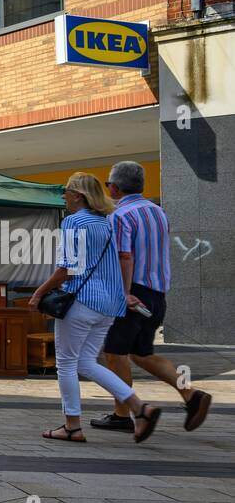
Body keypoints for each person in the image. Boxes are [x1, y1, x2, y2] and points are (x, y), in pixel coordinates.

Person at [29, 173, 161, 445]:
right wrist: (124, 294)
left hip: (81, 301)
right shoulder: (108, 223)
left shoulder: (74, 222)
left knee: (66, 363)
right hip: (109, 305)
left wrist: (39, 293)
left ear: (78, 195)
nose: (63, 196)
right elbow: (125, 258)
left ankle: (72, 426)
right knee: (87, 362)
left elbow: (68, 268)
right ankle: (139, 407)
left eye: (65, 191)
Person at [91, 160, 212, 434]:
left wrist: (123, 293)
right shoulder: (158, 212)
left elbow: (124, 256)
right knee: (142, 353)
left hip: (133, 292)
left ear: (115, 187)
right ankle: (191, 395)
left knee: (114, 353)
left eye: (109, 183)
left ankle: (123, 413)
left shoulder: (120, 215)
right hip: (157, 292)